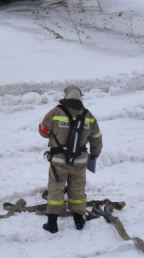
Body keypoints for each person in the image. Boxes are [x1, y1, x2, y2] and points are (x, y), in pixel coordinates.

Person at [38, 85, 103, 233]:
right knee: (78, 190)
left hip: (59, 161)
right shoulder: (88, 115)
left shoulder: (55, 112)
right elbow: (96, 138)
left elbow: (43, 132)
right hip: (79, 161)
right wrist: (94, 154)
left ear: (66, 95)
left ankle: (52, 224)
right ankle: (79, 221)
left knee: (55, 189)